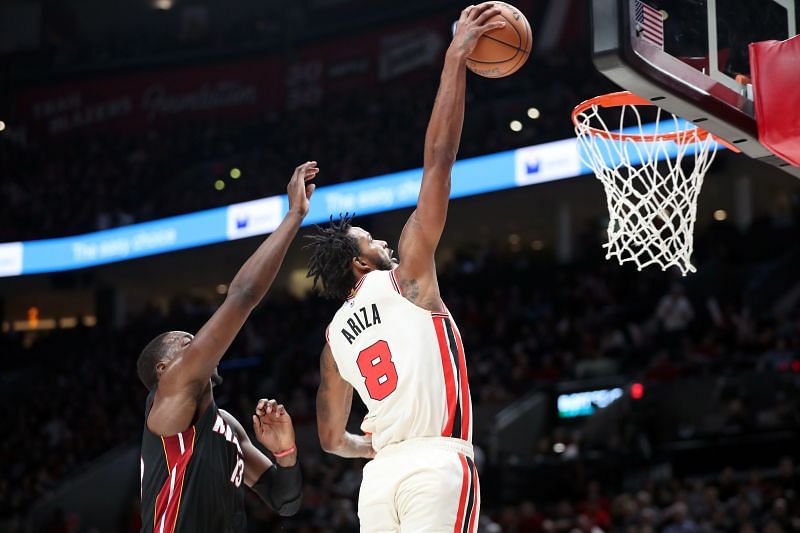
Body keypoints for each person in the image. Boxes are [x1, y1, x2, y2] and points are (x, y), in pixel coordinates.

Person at [307, 6, 505, 531]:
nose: (383, 243)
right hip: (435, 464)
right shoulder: (406, 278)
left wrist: (379, 445)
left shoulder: (333, 341)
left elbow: (330, 439)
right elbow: (439, 159)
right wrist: (455, 59)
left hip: (378, 484)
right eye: (371, 240)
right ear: (359, 261)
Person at [137, 162, 318, 532]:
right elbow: (242, 296)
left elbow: (285, 501)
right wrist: (294, 216)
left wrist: (285, 452)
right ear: (163, 370)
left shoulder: (227, 427)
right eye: (184, 344)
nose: (197, 343)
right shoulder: (168, 395)